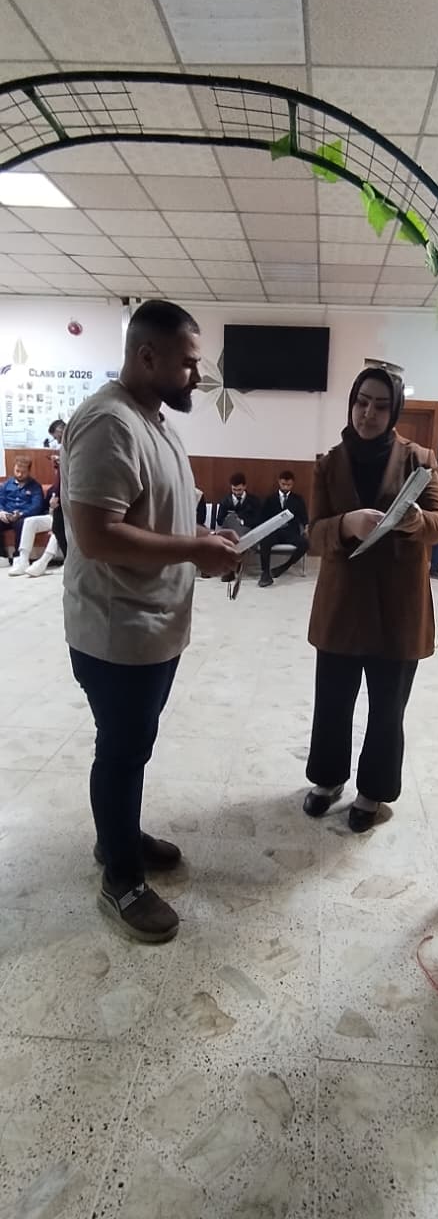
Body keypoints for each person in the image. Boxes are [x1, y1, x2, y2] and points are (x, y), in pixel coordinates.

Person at [60, 299, 238, 943]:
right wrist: (193, 549)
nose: (197, 375)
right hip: (117, 632)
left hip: (152, 625)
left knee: (133, 747)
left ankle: (119, 833)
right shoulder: (109, 424)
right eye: (188, 363)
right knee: (121, 750)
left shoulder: (153, 420)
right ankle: (122, 879)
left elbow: (154, 513)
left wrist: (203, 542)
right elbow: (98, 535)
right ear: (146, 356)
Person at [302, 364, 438, 833]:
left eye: (381, 406)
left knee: (388, 708)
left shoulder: (419, 460)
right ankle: (328, 780)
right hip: (342, 606)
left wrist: (416, 522)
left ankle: (374, 791)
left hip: (398, 608)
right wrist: (346, 524)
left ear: (395, 412)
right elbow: (313, 534)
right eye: (361, 402)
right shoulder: (328, 463)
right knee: (332, 701)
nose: (368, 413)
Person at [9, 453, 66, 577]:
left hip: (67, 518)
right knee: (29, 521)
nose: (56, 470)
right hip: (51, 516)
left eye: (58, 465)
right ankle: (23, 560)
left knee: (59, 526)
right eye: (55, 467)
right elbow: (43, 507)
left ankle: (43, 561)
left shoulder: (68, 485)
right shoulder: (53, 488)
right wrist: (51, 506)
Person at [258, 470, 309, 588]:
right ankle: (265, 573)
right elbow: (262, 517)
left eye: (288, 485)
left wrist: (307, 527)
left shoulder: (298, 499)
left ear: (293, 484)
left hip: (290, 532)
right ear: (279, 482)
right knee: (264, 541)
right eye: (283, 484)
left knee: (305, 544)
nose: (285, 487)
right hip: (274, 531)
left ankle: (283, 567)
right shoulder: (270, 499)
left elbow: (304, 517)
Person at [0, 457, 44, 566]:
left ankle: (18, 557)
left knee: (22, 524)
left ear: (29, 471)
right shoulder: (7, 484)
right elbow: (1, 500)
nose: (19, 474)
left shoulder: (35, 486)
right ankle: (2, 556)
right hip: (7, 515)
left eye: (23, 472)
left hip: (23, 516)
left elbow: (37, 506)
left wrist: (21, 514)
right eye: (17, 471)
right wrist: (1, 512)